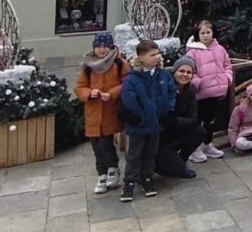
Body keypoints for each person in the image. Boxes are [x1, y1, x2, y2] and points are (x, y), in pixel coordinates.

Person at [120, 39, 177, 202]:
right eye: (152, 55)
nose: (157, 57)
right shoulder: (133, 78)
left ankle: (147, 178)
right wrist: (140, 116)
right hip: (140, 124)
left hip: (157, 123)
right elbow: (129, 99)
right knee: (134, 154)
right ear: (141, 57)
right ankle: (129, 182)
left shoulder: (163, 75)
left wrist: (168, 111)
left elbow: (172, 93)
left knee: (151, 153)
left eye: (158, 53)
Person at [74, 31, 128, 194]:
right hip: (93, 112)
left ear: (111, 47)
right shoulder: (88, 66)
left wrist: (112, 94)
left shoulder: (119, 63)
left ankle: (112, 168)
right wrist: (89, 93)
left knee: (106, 142)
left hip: (110, 111)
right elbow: (79, 87)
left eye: (105, 46)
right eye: (98, 46)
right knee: (96, 146)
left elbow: (127, 83)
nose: (101, 50)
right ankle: (102, 174)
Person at [186, 20, 233, 163]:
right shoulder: (193, 52)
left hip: (216, 92)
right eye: (202, 33)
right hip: (201, 94)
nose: (206, 35)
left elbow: (227, 66)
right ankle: (195, 148)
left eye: (208, 32)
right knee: (198, 121)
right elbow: (189, 71)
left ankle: (208, 144)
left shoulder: (220, 49)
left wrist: (227, 79)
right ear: (197, 34)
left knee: (210, 121)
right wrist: (198, 83)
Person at [156, 56, 205, 179]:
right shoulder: (164, 87)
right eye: (181, 71)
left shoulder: (190, 91)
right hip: (162, 135)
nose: (185, 75)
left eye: (189, 72)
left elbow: (194, 118)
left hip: (178, 129)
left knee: (200, 131)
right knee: (171, 170)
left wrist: (175, 122)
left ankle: (182, 160)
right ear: (175, 71)